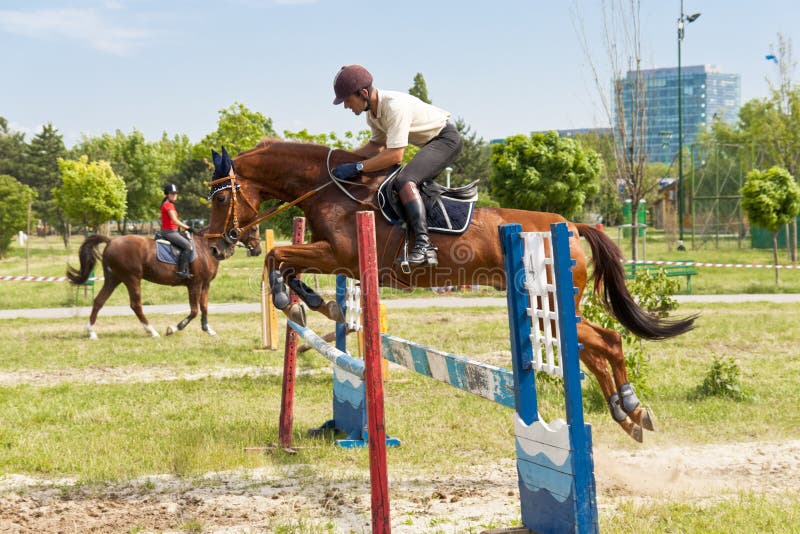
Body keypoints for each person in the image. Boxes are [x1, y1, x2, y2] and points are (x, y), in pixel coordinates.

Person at [331, 64, 463, 267]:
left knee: (405, 180)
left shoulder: (393, 106)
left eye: (348, 100)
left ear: (363, 93)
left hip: (446, 140)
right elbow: (376, 146)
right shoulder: (372, 114)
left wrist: (357, 167)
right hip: (431, 143)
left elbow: (395, 155)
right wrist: (344, 160)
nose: (347, 106)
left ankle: (424, 246)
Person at [160, 184, 193, 279]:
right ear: (167, 194)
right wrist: (188, 227)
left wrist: (183, 229)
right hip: (169, 232)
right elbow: (175, 220)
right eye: (172, 194)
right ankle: (181, 271)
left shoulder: (169, 204)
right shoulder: (168, 205)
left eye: (176, 193)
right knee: (187, 246)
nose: (175, 195)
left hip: (173, 231)